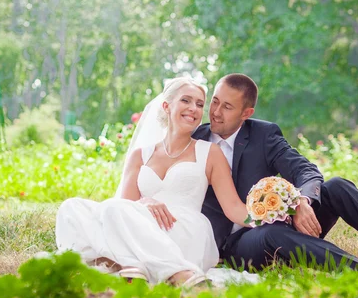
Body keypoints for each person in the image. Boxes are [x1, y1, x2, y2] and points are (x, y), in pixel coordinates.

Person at [193, 73, 358, 272]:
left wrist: (301, 201)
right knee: (271, 233)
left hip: (286, 228)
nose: (215, 112)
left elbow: (306, 170)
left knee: (337, 186)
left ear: (246, 113)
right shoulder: (195, 140)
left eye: (227, 107)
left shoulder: (263, 134)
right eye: (215, 102)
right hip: (236, 244)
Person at [55, 77, 250, 286]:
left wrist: (275, 215)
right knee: (71, 207)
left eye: (200, 104)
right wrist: (144, 203)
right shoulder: (140, 155)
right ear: (166, 106)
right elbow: (123, 207)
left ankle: (175, 272)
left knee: (113, 210)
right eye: (186, 101)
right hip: (141, 224)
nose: (194, 108)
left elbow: (233, 208)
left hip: (183, 229)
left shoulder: (210, 152)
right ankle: (129, 264)